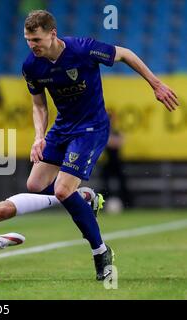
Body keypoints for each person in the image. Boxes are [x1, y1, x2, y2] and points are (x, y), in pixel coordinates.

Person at [21, 10, 179, 280]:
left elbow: (126, 53)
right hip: (62, 127)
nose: (32, 45)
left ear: (52, 34)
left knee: (60, 190)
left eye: (36, 39)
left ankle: (100, 251)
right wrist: (39, 136)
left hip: (92, 127)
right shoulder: (31, 66)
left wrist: (155, 84)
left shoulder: (84, 49)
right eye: (28, 40)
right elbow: (39, 105)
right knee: (34, 186)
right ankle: (84, 197)